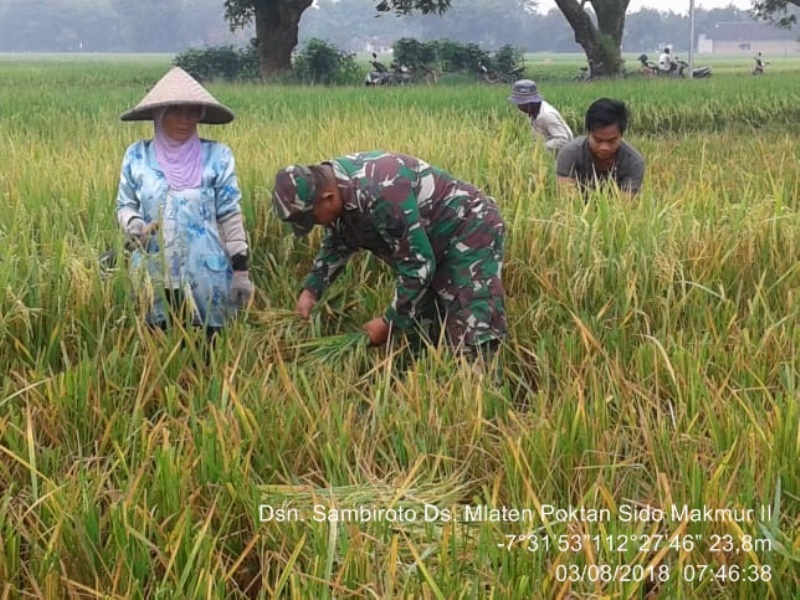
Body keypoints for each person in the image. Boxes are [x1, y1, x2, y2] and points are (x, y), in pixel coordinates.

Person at [271, 151, 507, 365]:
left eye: (313, 219)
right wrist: (311, 292)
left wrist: (388, 322)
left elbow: (418, 265)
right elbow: (337, 242)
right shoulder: (333, 191)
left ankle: (481, 394)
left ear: (328, 198)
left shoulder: (380, 191)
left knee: (471, 327)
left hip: (469, 230)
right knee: (424, 326)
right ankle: (433, 383)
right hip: (428, 243)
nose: (317, 225)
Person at [116, 66, 254, 340]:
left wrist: (241, 271)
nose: (185, 119)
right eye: (176, 111)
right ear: (159, 114)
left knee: (209, 350)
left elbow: (229, 214)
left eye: (192, 111)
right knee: (158, 347)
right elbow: (125, 204)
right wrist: (134, 225)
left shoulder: (217, 155)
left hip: (206, 274)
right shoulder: (137, 156)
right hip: (153, 271)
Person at [556, 98, 645, 197]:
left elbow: (624, 206)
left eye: (611, 140)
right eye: (598, 140)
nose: (604, 147)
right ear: (588, 133)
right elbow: (568, 201)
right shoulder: (570, 154)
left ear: (621, 135)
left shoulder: (633, 162)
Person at [507, 79, 573, 153]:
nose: (518, 107)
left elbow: (563, 139)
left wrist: (540, 148)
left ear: (529, 103)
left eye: (520, 104)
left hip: (562, 155)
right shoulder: (533, 112)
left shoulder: (547, 116)